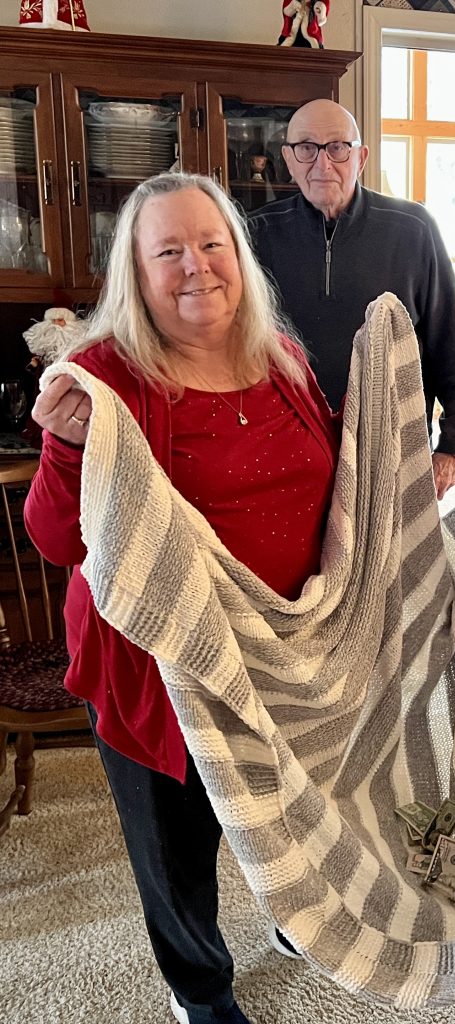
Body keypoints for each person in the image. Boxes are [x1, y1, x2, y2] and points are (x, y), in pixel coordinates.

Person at [25, 172, 341, 1024]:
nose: (197, 266)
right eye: (169, 250)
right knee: (177, 844)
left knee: (290, 812)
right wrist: (61, 450)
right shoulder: (100, 374)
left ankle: (296, 923)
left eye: (213, 243)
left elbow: (337, 481)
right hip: (159, 671)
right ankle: (198, 987)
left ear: (239, 256)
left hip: (281, 654)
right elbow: (58, 540)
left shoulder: (283, 357)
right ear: (136, 270)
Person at [249, 99, 455, 500]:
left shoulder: (413, 229)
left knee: (391, 563)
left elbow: (452, 341)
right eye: (306, 148)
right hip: (287, 448)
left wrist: (453, 446)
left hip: (391, 450)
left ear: (362, 157)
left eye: (338, 147)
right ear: (287, 158)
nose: (322, 164)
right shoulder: (256, 233)